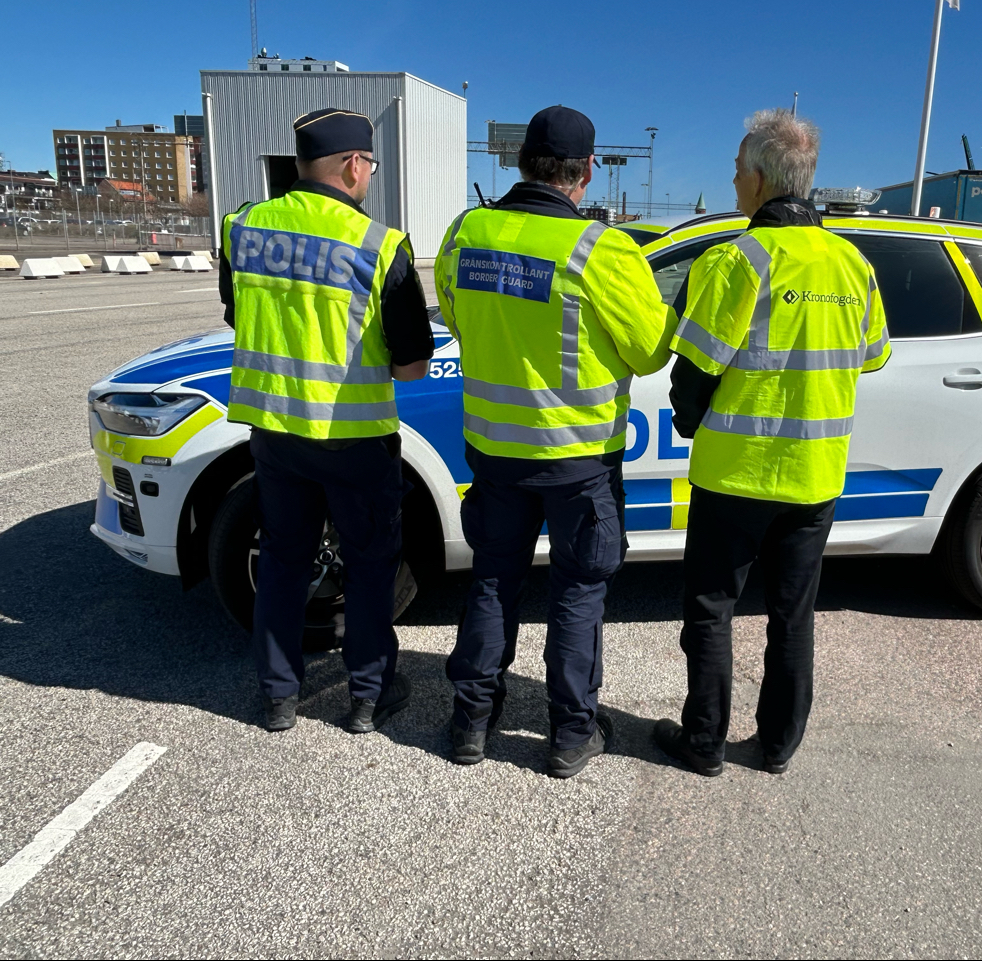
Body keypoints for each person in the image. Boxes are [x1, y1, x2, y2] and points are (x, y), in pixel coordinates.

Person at [435, 105, 674, 778]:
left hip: (493, 452)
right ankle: (570, 735)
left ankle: (469, 724)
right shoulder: (602, 250)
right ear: (587, 171)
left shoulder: (467, 231)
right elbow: (651, 350)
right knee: (577, 593)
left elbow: (452, 314)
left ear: (520, 162)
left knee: (492, 581)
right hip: (578, 461)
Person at [653, 109, 890, 777]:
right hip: (815, 476)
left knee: (710, 610)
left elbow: (693, 371)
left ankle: (704, 742)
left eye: (736, 169)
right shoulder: (853, 264)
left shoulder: (737, 259)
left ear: (759, 178)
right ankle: (778, 745)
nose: (732, 179)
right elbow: (873, 354)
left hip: (734, 473)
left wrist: (689, 420)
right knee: (793, 616)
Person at [218, 107, 435, 734]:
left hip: (275, 432)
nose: (368, 175)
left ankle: (278, 698)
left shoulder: (242, 227)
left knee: (283, 561)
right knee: (369, 565)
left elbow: (236, 313)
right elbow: (412, 367)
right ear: (352, 164)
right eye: (369, 165)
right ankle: (368, 697)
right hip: (355, 438)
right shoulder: (380, 245)